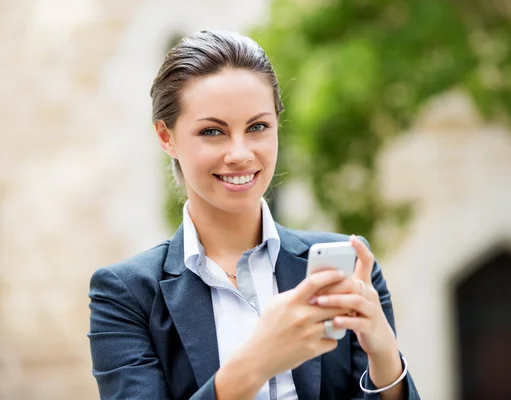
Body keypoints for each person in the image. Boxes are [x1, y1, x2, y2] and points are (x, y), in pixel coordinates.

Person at [88, 30, 420, 400]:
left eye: (257, 127)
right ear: (167, 137)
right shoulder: (125, 295)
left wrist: (385, 356)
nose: (240, 153)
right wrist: (258, 361)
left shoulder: (346, 267)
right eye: (213, 131)